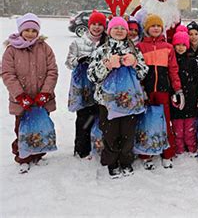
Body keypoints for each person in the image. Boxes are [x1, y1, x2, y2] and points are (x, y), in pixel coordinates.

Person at [87, 16, 148, 178]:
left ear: (127, 32)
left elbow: (143, 73)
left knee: (128, 133)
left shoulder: (134, 49)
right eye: (116, 28)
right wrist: (106, 65)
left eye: (122, 28)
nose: (119, 31)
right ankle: (112, 163)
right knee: (110, 133)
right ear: (109, 31)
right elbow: (92, 76)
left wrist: (135, 64)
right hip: (107, 103)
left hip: (130, 102)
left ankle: (126, 161)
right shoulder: (101, 51)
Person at [2, 13, 59, 173]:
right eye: (26, 30)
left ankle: (38, 154)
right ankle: (23, 157)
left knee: (41, 127)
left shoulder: (44, 48)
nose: (30, 34)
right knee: (22, 128)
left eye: (33, 31)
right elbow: (7, 74)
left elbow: (52, 71)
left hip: (42, 99)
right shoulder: (11, 50)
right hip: (21, 100)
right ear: (20, 31)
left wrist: (46, 93)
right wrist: (19, 95)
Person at [136, 14, 184, 169]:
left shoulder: (168, 47)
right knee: (146, 122)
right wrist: (140, 88)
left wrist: (178, 90)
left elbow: (173, 70)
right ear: (147, 28)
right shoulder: (141, 47)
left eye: (158, 26)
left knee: (165, 121)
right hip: (146, 91)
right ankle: (146, 153)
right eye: (152, 26)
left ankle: (167, 153)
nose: (156, 28)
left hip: (163, 91)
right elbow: (136, 71)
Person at [66, 10, 107, 158]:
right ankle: (81, 148)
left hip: (101, 85)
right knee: (84, 117)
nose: (97, 27)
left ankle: (98, 145)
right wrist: (79, 60)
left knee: (100, 116)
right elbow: (69, 63)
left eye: (100, 24)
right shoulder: (77, 42)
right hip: (83, 85)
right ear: (89, 25)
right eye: (94, 24)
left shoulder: (107, 42)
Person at [171, 25, 198, 155]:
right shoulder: (172, 60)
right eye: (178, 45)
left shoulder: (192, 61)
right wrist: (172, 94)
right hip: (178, 99)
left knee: (190, 128)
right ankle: (179, 148)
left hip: (191, 98)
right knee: (178, 127)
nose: (180, 48)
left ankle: (191, 147)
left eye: (183, 45)